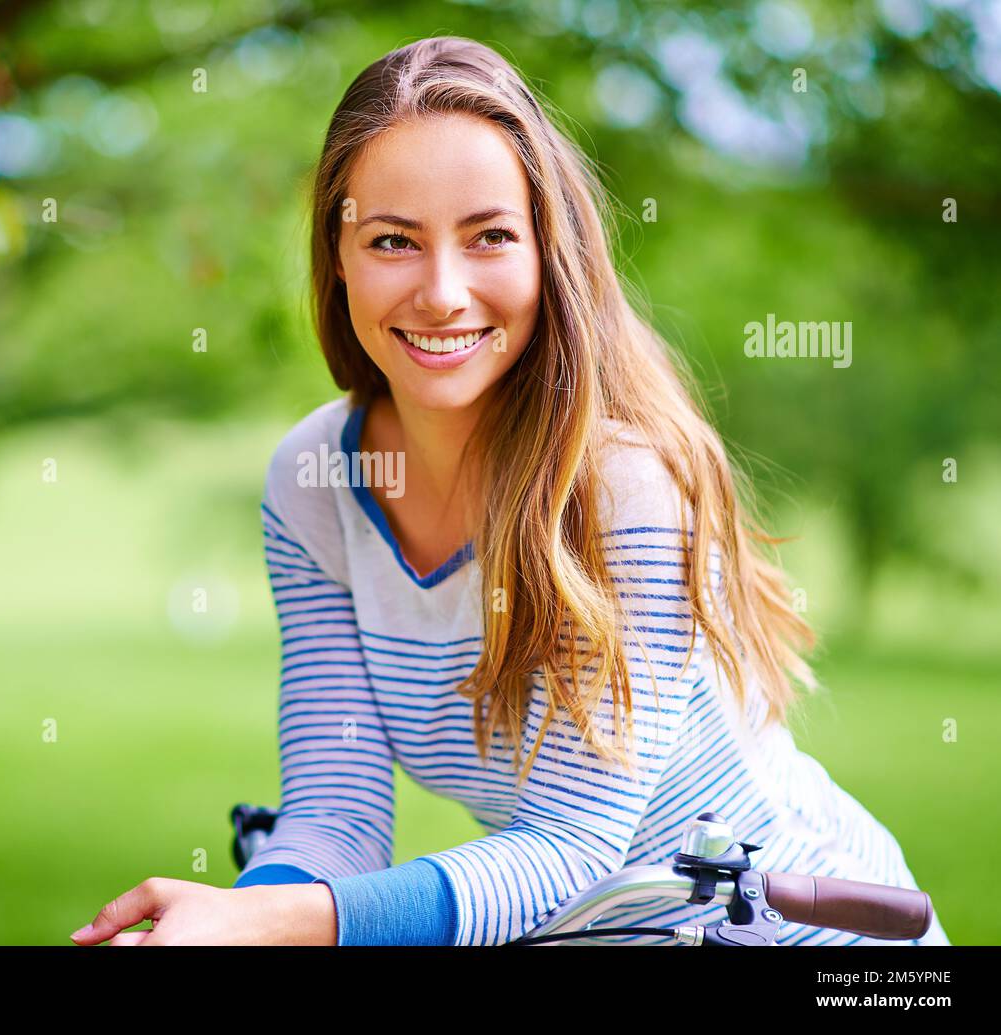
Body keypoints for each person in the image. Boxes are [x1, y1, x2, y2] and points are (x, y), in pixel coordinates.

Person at [70, 35, 950, 948]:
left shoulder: (624, 488)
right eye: (393, 241)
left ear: (546, 250)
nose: (443, 292)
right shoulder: (315, 480)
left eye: (489, 235)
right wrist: (230, 924)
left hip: (813, 932)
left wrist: (276, 921)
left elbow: (574, 846)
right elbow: (336, 816)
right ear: (338, 255)